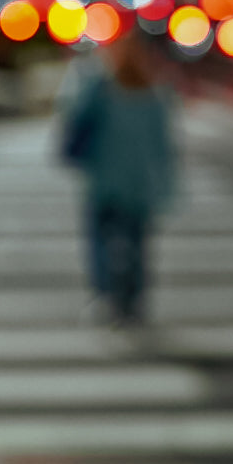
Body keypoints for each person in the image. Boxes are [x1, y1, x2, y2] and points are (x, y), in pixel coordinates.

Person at [61, 29, 176, 327]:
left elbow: (76, 120)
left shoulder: (101, 88)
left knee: (101, 240)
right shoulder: (155, 92)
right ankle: (133, 301)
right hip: (139, 184)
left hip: (105, 181)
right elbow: (163, 146)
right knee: (137, 245)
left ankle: (106, 294)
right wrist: (166, 184)